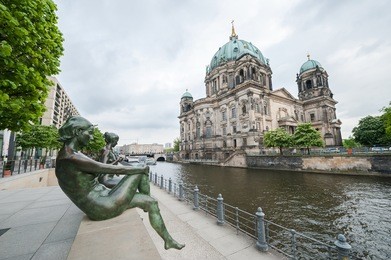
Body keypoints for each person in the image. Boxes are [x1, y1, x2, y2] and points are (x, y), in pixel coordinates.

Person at [55, 116, 184, 250]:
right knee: (140, 172)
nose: (91, 138)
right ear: (77, 132)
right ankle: (146, 205)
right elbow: (107, 168)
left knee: (151, 202)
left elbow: (97, 172)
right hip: (101, 206)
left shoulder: (69, 155)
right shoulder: (71, 157)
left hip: (103, 198)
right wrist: (140, 168)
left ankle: (168, 241)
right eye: (90, 133)